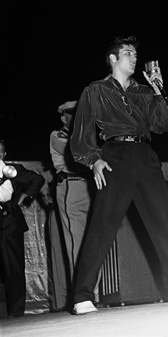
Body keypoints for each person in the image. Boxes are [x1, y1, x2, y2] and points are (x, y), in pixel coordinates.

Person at [69, 36, 168, 315]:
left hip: (145, 155)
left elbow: (164, 123)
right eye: (128, 53)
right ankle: (82, 296)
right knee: (102, 225)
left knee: (164, 220)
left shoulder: (144, 92)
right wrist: (94, 160)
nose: (134, 58)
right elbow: (81, 133)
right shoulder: (95, 90)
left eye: (135, 54)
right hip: (114, 155)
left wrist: (158, 90)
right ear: (113, 58)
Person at [49, 101, 96, 307]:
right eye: (73, 114)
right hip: (71, 186)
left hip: (90, 186)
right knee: (76, 243)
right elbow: (77, 155)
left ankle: (93, 293)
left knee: (94, 241)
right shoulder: (58, 136)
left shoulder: (88, 135)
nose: (77, 117)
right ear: (64, 117)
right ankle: (81, 296)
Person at [0, 140, 45, 318]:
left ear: (4, 155)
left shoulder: (14, 170)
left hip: (9, 223)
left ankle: (17, 312)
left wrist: (24, 197)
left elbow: (38, 180)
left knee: (14, 268)